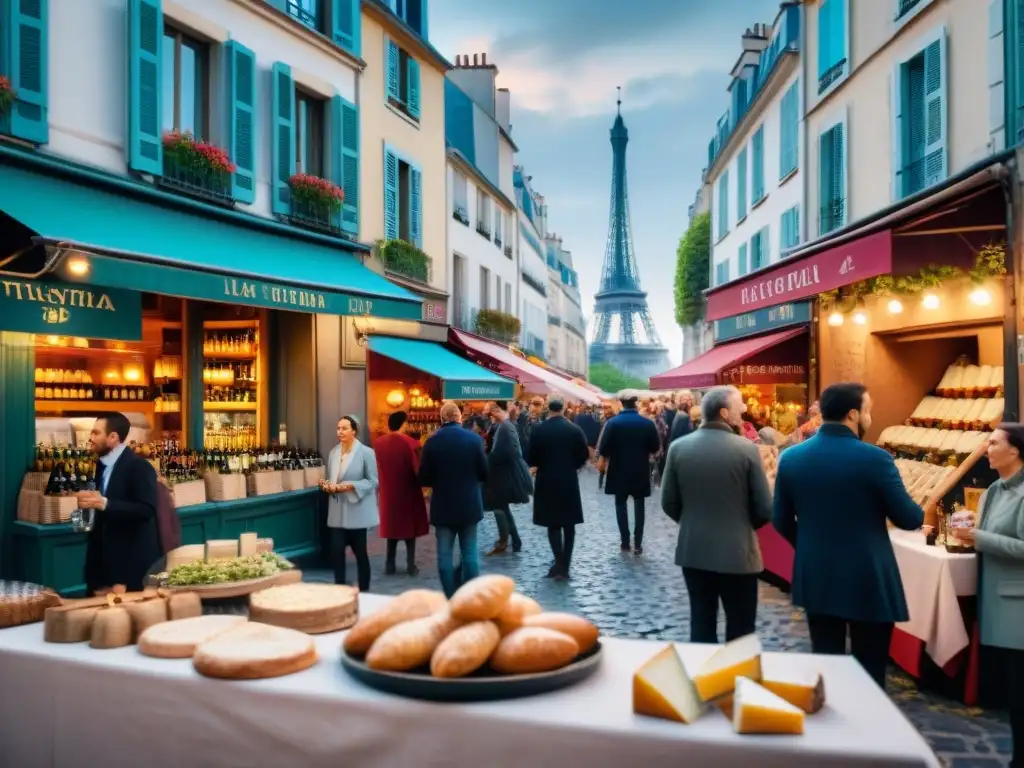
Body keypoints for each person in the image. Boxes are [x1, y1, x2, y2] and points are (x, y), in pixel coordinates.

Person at [773, 382, 923, 688]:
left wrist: (808, 546)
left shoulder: (791, 458)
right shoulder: (875, 459)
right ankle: (866, 728)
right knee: (869, 667)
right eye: (868, 410)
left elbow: (780, 520)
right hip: (867, 574)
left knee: (826, 660)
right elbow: (909, 518)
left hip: (816, 571)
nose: (870, 416)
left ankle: (832, 725)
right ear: (853, 414)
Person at [661, 386, 772, 643]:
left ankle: (702, 677)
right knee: (741, 627)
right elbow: (765, 508)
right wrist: (741, 526)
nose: (743, 411)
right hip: (738, 553)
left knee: (701, 622)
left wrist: (692, 521)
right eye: (739, 407)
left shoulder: (678, 448)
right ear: (724, 412)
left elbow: (669, 502)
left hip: (694, 550)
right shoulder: (746, 449)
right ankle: (737, 679)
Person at [958, 424, 1024, 766]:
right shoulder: (994, 490)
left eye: (995, 442)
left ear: (1014, 451)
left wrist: (979, 537)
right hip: (996, 604)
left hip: (1017, 608)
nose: (988, 446)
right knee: (1012, 697)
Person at [77, 412, 161, 594]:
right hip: (100, 573)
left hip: (129, 573)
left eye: (96, 433)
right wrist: (82, 513)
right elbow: (92, 521)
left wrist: (105, 504)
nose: (90, 438)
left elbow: (146, 510)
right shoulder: (99, 466)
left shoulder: (139, 467)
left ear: (113, 437)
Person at [419, 401, 489, 597]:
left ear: (442, 418)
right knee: (469, 553)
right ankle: (470, 597)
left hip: (443, 504)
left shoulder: (432, 442)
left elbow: (423, 477)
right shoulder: (474, 440)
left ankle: (450, 596)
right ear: (459, 417)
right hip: (469, 503)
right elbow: (485, 472)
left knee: (444, 555)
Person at [527, 398, 590, 580]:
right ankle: (565, 565)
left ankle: (559, 562)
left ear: (548, 409)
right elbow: (583, 456)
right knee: (569, 524)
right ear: (563, 409)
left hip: (547, 479)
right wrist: (572, 465)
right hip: (568, 480)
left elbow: (531, 457)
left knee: (553, 523)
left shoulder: (539, 430)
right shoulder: (574, 429)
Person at [599, 389, 661, 556]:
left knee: (621, 506)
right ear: (636, 404)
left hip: (618, 470)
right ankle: (638, 543)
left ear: (621, 403)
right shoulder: (647, 423)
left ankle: (625, 541)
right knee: (639, 507)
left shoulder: (613, 423)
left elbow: (604, 448)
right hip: (640, 470)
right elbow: (655, 447)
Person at [322, 415, 379, 592]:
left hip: (357, 510)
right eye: (338, 428)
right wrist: (327, 485)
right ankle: (339, 590)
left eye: (344, 428)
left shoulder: (366, 453)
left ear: (354, 430)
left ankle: (364, 592)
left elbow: (373, 481)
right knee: (337, 552)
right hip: (337, 511)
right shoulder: (333, 452)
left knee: (360, 553)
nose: (340, 432)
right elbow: (334, 479)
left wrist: (351, 486)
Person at [374, 410, 428, 576]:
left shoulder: (378, 443)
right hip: (408, 491)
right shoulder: (412, 443)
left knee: (392, 529)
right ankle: (410, 565)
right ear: (403, 423)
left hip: (388, 492)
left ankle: (389, 564)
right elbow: (418, 469)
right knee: (409, 531)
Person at [483, 400, 532, 555]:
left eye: (491, 413)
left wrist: (488, 458)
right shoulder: (505, 425)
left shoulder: (505, 427)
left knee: (500, 507)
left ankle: (508, 541)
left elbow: (506, 452)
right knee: (502, 508)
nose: (491, 416)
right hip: (503, 473)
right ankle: (512, 540)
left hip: (503, 474)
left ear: (497, 410)